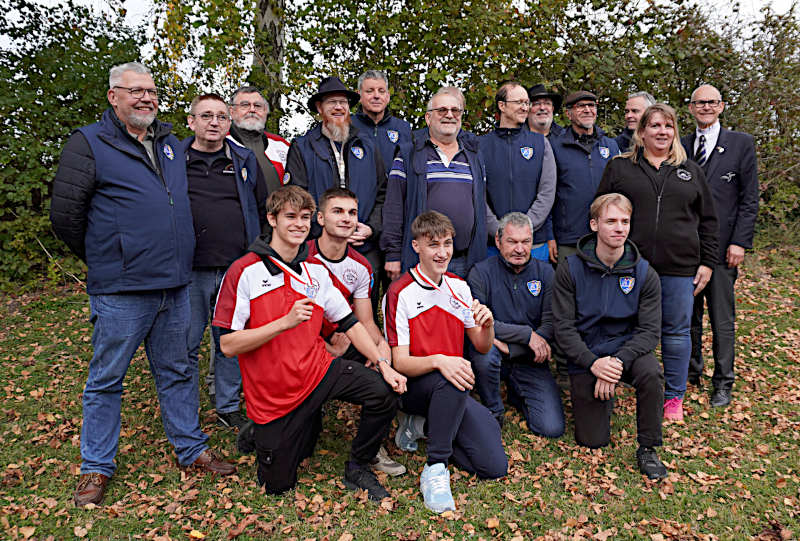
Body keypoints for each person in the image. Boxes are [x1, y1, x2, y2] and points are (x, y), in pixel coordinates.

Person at [50, 62, 235, 507]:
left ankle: (191, 450)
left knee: (178, 370)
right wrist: (110, 256)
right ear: (113, 96)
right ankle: (96, 466)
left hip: (174, 286)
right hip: (121, 291)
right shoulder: (90, 143)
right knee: (106, 379)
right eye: (135, 91)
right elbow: (65, 217)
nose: (146, 98)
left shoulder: (169, 144)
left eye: (151, 91)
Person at [213, 186, 407, 500]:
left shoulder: (314, 271)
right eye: (290, 216)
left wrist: (384, 365)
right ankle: (260, 432)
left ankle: (358, 465)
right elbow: (228, 345)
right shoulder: (244, 271)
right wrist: (283, 323)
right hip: (274, 395)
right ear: (272, 219)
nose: (299, 224)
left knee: (383, 392)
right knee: (277, 486)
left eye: (304, 217)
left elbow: (350, 323)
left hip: (319, 372)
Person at [596, 103, 719, 422]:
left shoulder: (690, 171)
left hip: (679, 268)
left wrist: (707, 262)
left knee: (677, 332)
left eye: (668, 126)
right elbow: (599, 213)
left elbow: (708, 220)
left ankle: (674, 397)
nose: (662, 131)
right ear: (641, 132)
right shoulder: (620, 167)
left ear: (675, 132)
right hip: (629, 266)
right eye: (655, 126)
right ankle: (627, 382)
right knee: (623, 327)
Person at [383, 211, 507, 513]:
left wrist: (487, 325)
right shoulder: (400, 292)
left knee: (494, 466)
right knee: (452, 374)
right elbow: (400, 362)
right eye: (433, 245)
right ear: (416, 247)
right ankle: (435, 468)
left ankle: (424, 428)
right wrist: (440, 361)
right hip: (414, 387)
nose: (442, 253)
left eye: (447, 244)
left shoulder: (459, 287)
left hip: (451, 387)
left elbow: (481, 344)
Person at [551, 193, 667, 479]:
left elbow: (650, 331)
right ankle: (599, 400)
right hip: (586, 354)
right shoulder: (570, 269)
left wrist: (614, 364)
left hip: (625, 352)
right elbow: (563, 329)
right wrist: (593, 363)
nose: (619, 228)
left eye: (625, 221)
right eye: (611, 221)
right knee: (592, 440)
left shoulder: (644, 272)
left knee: (651, 371)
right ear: (594, 225)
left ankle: (648, 449)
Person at [306, 187, 405, 476]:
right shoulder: (302, 255)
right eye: (338, 211)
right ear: (321, 218)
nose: (347, 218)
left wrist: (382, 351)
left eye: (352, 212)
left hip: (345, 337)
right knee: (302, 446)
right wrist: (323, 348)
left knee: (384, 372)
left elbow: (365, 321)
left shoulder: (360, 266)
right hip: (303, 344)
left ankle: (372, 448)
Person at [182, 93, 266, 430]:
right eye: (206, 116)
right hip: (189, 269)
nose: (214, 122)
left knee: (229, 343)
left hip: (235, 268)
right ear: (192, 122)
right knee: (185, 343)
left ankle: (228, 405)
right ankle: (184, 408)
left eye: (220, 116)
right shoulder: (174, 159)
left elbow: (260, 209)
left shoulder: (243, 160)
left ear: (228, 123)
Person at [683, 84, 759, 407]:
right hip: (686, 247)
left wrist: (740, 241)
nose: (706, 107)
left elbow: (749, 199)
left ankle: (723, 381)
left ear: (722, 106)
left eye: (712, 102)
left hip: (724, 247)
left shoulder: (741, 144)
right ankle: (691, 371)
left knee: (721, 316)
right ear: (691, 108)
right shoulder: (681, 145)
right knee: (688, 314)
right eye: (700, 103)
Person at [467, 212, 564, 436]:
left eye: (525, 242)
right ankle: (493, 410)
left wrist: (514, 346)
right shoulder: (480, 273)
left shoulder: (546, 272)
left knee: (551, 428)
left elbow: (551, 323)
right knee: (485, 353)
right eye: (512, 242)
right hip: (495, 353)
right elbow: (479, 323)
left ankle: (517, 393)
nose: (519, 249)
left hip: (530, 358)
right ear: (498, 242)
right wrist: (527, 335)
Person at [284, 76, 386, 290]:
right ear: (320, 108)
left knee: (363, 314)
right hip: (318, 251)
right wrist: (326, 230)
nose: (339, 107)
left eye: (343, 102)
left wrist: (371, 228)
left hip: (363, 247)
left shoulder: (367, 146)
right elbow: (296, 199)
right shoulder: (303, 147)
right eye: (332, 102)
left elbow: (383, 193)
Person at [382, 86, 488, 279]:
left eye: (455, 111)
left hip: (465, 260)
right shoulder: (408, 154)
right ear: (428, 118)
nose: (449, 115)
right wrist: (392, 254)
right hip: (422, 260)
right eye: (442, 110)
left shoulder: (474, 156)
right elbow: (393, 207)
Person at [481, 81, 556, 262]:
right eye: (519, 102)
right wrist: (498, 231)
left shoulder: (540, 143)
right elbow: (477, 194)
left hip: (534, 243)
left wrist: (525, 229)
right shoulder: (481, 145)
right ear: (502, 106)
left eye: (526, 103)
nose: (525, 108)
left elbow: (547, 191)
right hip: (493, 244)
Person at [549, 90, 620, 266]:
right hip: (568, 238)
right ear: (568, 113)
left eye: (592, 105)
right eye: (581, 106)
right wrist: (549, 236)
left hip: (603, 238)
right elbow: (547, 193)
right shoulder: (554, 146)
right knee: (568, 290)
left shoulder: (610, 146)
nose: (588, 110)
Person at [227, 85, 290, 191]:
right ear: (232, 111)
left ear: (266, 111)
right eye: (245, 105)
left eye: (258, 106)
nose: (252, 110)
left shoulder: (282, 145)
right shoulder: (220, 143)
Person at [351, 70, 412, 175]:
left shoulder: (403, 128)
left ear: (387, 96)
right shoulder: (348, 126)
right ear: (359, 95)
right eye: (370, 91)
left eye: (381, 91)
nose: (376, 96)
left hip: (394, 191)